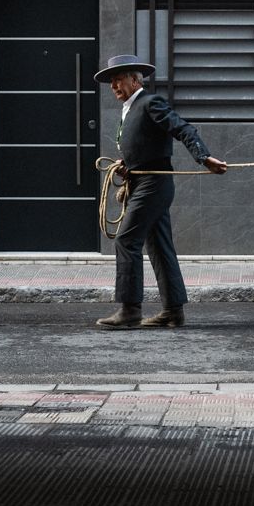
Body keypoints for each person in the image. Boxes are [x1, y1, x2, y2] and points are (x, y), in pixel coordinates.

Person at [93, 54, 227, 329]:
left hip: (155, 183)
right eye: (111, 82)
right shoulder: (130, 108)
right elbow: (144, 145)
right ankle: (173, 312)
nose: (114, 86)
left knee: (126, 241)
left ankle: (130, 310)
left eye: (119, 80)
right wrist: (127, 166)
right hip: (142, 181)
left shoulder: (150, 102)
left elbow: (182, 128)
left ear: (134, 79)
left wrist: (204, 157)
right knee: (159, 247)